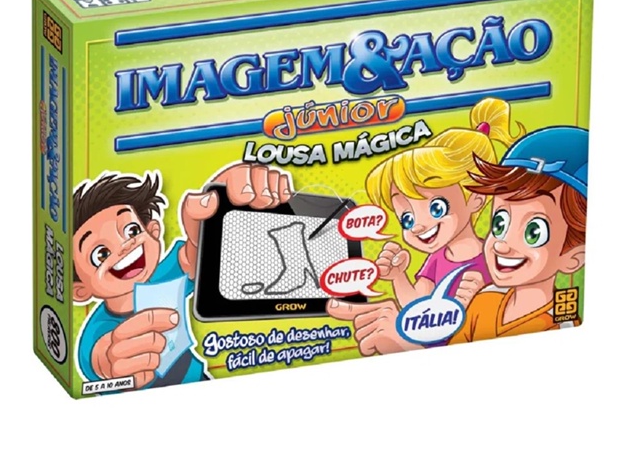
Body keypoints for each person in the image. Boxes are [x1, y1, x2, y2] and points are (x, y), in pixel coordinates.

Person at [328, 126, 587, 355]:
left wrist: (402, 344)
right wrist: (398, 278)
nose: (501, 244)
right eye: (500, 224)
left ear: (574, 258)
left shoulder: (559, 326)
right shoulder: (484, 303)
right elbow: (429, 318)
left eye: (534, 232)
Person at [73, 163, 291, 389]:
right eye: (101, 254)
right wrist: (116, 358)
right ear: (79, 290)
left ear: (153, 231)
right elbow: (102, 357)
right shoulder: (96, 332)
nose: (125, 247)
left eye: (132, 231)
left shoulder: (164, 277)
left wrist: (220, 199)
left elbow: (194, 255)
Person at [366, 97, 522, 310]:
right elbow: (417, 305)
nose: (417, 226)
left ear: (476, 199)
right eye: (407, 219)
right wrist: (398, 276)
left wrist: (486, 294)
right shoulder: (436, 259)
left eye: (436, 208)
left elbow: (516, 306)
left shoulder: (496, 256)